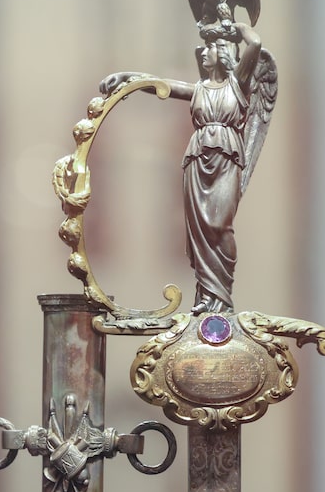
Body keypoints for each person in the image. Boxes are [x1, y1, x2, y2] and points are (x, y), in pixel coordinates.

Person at [100, 23, 262, 313]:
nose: (203, 53)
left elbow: (255, 44)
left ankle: (222, 296)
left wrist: (233, 27)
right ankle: (205, 298)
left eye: (210, 47)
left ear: (224, 52)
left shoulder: (238, 84)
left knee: (219, 225)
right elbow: (161, 85)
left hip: (226, 159)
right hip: (197, 161)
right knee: (199, 232)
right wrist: (129, 79)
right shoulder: (199, 88)